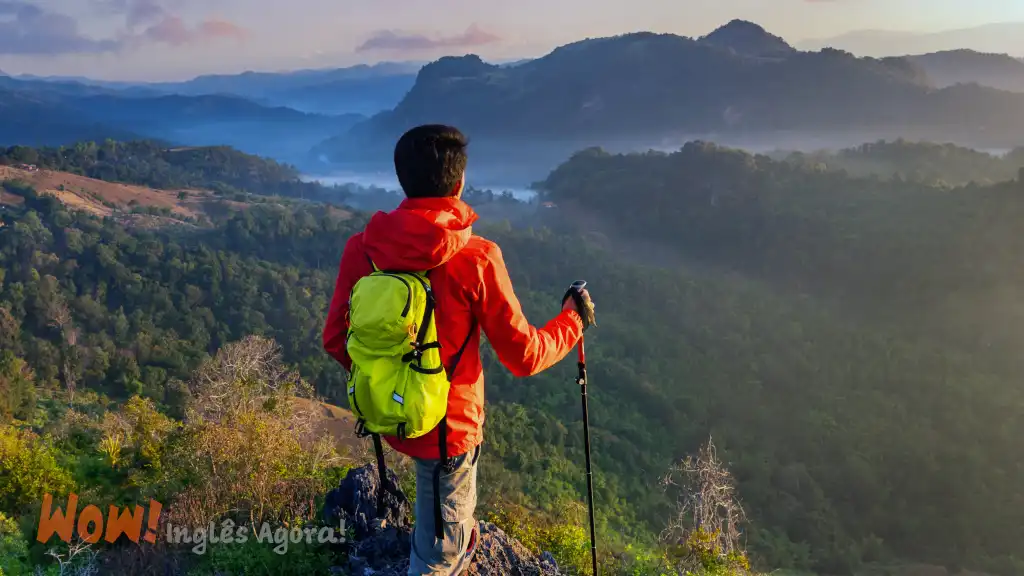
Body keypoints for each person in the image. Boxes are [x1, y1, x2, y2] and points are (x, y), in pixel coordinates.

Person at [323, 124, 595, 575]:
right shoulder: (478, 257)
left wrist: (391, 382)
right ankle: (447, 549)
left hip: (393, 412)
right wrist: (572, 321)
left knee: (436, 512)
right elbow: (524, 356)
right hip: (451, 430)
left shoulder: (364, 250)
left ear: (402, 179)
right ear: (460, 182)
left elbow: (336, 338)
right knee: (436, 559)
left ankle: (449, 537)